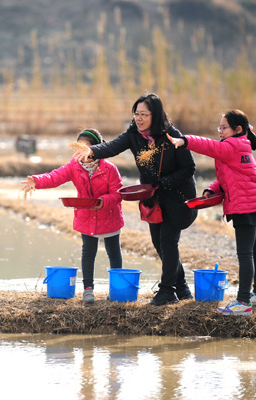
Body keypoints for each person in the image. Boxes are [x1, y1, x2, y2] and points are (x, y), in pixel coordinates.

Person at [73, 93, 198, 306]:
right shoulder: (134, 135)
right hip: (153, 197)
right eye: (136, 114)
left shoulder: (172, 136)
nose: (138, 118)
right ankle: (183, 288)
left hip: (177, 197)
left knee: (168, 242)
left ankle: (167, 291)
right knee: (159, 244)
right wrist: (91, 151)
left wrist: (163, 182)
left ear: (155, 115)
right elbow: (111, 147)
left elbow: (189, 168)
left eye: (143, 114)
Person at [167, 109, 256, 316]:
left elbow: (208, 146)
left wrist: (185, 141)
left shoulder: (230, 146)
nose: (220, 132)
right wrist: (212, 189)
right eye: (219, 127)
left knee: (246, 253)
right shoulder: (240, 146)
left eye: (224, 127)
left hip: (245, 205)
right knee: (255, 250)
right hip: (255, 202)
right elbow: (229, 177)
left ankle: (243, 302)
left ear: (237, 129)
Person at [22, 129, 124, 304]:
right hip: (86, 216)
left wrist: (103, 201)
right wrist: (37, 181)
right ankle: (88, 290)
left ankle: (117, 290)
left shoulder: (110, 169)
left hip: (109, 216)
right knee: (88, 252)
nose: (81, 153)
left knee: (114, 253)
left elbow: (118, 193)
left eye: (85, 148)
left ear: (97, 149)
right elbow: (54, 177)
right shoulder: (74, 166)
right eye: (78, 148)